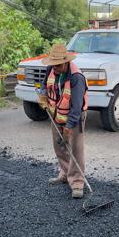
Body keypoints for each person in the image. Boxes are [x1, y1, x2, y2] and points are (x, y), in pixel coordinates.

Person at [39, 44, 88, 199]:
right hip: (56, 113)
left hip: (75, 115)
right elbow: (44, 84)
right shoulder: (51, 69)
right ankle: (65, 173)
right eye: (53, 65)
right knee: (59, 145)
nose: (55, 69)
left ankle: (77, 182)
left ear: (66, 62)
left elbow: (77, 106)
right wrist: (42, 96)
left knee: (76, 148)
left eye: (58, 66)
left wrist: (69, 126)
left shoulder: (76, 78)